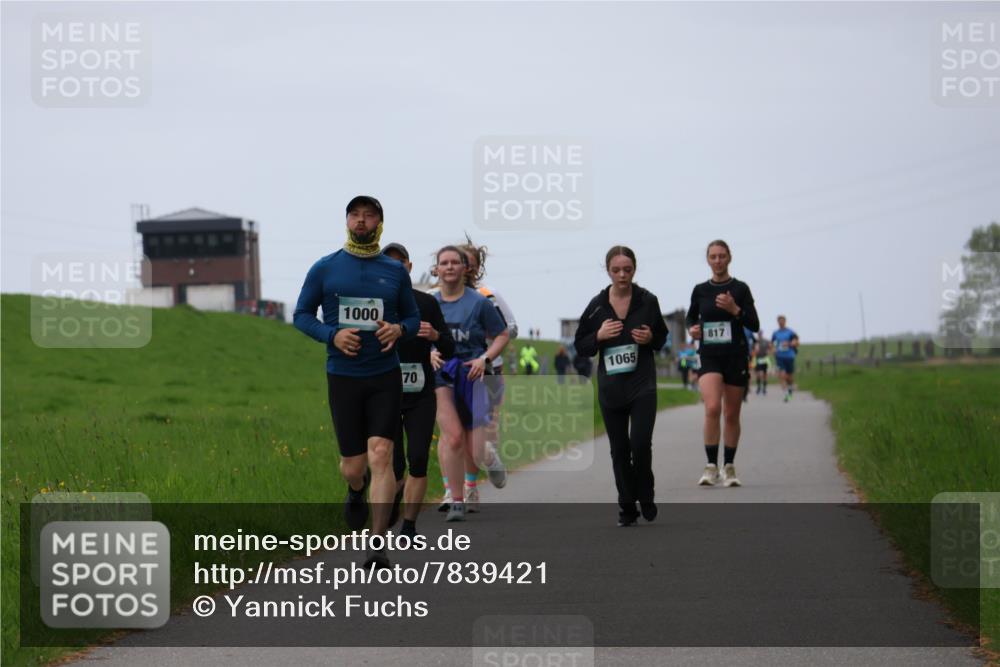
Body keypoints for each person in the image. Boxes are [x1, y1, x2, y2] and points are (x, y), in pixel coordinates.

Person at [293, 196, 420, 569]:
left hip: (384, 374)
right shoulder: (325, 268)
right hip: (343, 377)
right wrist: (331, 335)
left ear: (380, 223)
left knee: (381, 454)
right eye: (355, 215)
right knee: (354, 465)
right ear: (346, 221)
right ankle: (354, 490)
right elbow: (301, 315)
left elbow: (412, 320)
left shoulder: (395, 272)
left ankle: (377, 544)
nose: (361, 221)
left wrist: (398, 328)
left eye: (369, 215)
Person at [574, 246, 668, 527]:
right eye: (616, 270)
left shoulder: (648, 301)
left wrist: (650, 337)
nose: (622, 275)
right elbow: (581, 345)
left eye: (627, 269)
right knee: (619, 449)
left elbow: (662, 339)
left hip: (642, 386)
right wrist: (599, 336)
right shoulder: (597, 305)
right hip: (611, 390)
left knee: (639, 444)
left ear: (634, 269)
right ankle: (627, 507)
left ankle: (646, 493)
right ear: (608, 271)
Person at [434, 239, 517, 514]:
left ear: (472, 268)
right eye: (447, 262)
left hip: (487, 371)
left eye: (462, 262)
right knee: (451, 436)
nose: (457, 267)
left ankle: (486, 462)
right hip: (446, 375)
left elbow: (509, 329)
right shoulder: (434, 300)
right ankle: (454, 490)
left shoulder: (486, 297)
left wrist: (486, 351)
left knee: (479, 442)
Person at [382, 243, 455, 542]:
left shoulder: (426, 303)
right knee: (393, 464)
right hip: (385, 393)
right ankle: (392, 500)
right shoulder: (375, 304)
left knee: (418, 458)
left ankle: (409, 527)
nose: (396, 269)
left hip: (421, 393)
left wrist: (436, 336)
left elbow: (449, 347)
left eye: (401, 264)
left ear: (409, 268)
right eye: (389, 264)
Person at [686, 239, 759, 488]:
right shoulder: (700, 290)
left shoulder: (740, 289)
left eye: (721, 256)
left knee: (731, 413)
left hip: (735, 356)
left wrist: (735, 309)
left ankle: (728, 466)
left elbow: (754, 324)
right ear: (707, 260)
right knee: (713, 407)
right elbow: (690, 319)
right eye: (713, 256)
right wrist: (693, 330)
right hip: (709, 355)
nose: (717, 261)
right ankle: (710, 466)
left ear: (729, 258)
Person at [771, 316, 800, 402]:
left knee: (789, 376)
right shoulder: (775, 333)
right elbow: (772, 344)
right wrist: (773, 350)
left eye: (782, 321)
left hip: (789, 356)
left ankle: (790, 389)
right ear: (777, 322)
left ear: (785, 322)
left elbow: (797, 342)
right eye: (779, 321)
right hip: (779, 357)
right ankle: (787, 392)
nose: (781, 323)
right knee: (782, 374)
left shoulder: (790, 332)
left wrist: (789, 344)